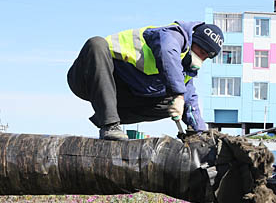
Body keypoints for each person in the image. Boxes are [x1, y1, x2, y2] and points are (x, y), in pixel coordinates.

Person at [68, 21, 223, 140]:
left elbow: (191, 104)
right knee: (97, 44)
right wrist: (178, 93)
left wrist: (201, 135)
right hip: (88, 77)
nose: (201, 59)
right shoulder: (172, 36)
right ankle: (109, 125)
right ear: (192, 41)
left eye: (206, 57)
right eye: (200, 52)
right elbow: (167, 51)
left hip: (122, 95)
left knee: (175, 103)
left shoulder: (186, 68)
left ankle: (107, 115)